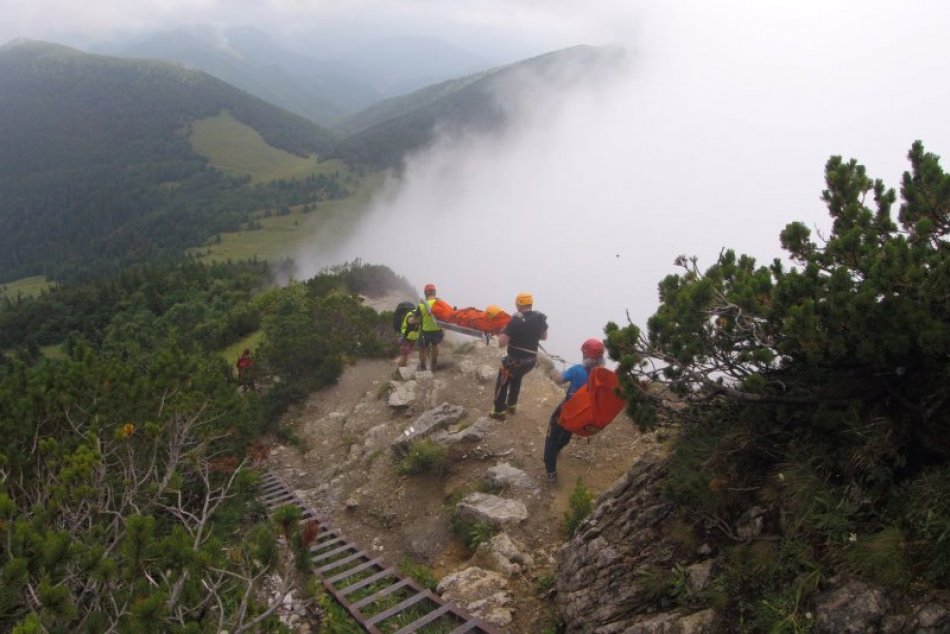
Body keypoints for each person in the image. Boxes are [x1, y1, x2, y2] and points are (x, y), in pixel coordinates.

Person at [543, 338, 606, 482]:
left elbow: (558, 380)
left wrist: (553, 371)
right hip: (582, 416)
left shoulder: (577, 370)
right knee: (566, 434)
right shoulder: (601, 375)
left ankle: (551, 472)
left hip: (566, 411)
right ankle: (558, 449)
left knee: (551, 438)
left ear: (585, 355)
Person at [489, 292, 548, 421]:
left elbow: (501, 343)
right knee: (517, 377)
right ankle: (511, 405)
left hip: (515, 361)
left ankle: (498, 412)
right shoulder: (539, 318)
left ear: (519, 305)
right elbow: (544, 337)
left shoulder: (515, 321)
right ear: (530, 304)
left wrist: (505, 331)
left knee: (503, 381)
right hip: (530, 362)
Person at [417, 283, 444, 371]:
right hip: (437, 330)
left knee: (422, 349)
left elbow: (414, 319)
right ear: (434, 293)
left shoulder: (421, 305)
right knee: (435, 345)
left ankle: (423, 366)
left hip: (426, 331)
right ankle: (434, 363)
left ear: (425, 293)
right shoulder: (440, 303)